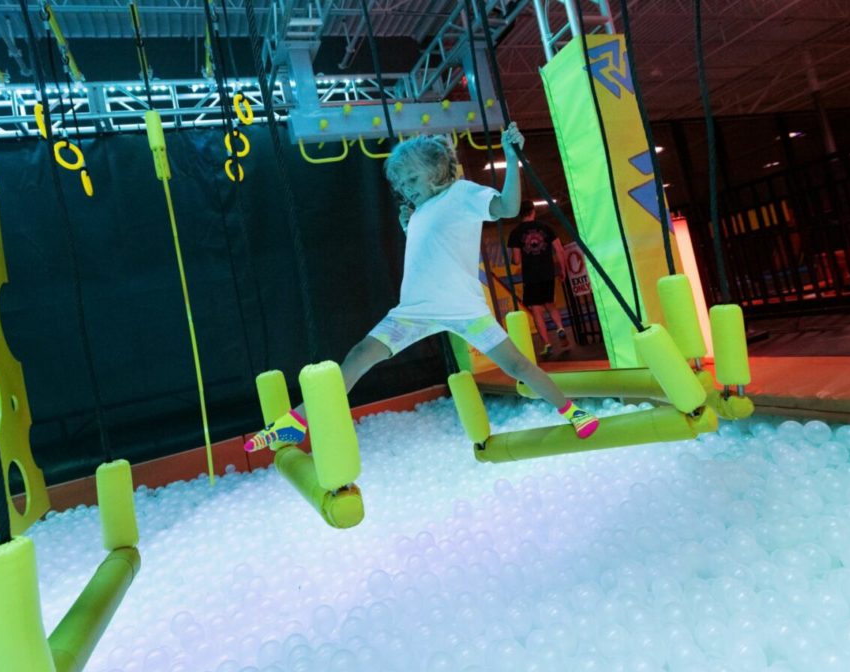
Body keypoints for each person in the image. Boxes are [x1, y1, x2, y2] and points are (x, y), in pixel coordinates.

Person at [245, 123, 599, 453]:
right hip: (416, 312)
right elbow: (431, 251)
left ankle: (573, 411)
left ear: (436, 171)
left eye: (412, 178)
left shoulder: (462, 194)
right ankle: (297, 422)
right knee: (360, 354)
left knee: (517, 365)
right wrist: (407, 227)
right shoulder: (419, 213)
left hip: (463, 310)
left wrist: (510, 155)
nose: (407, 188)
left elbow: (507, 207)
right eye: (401, 184)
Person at [507, 200, 571, 358]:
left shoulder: (515, 233)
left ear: (520, 213)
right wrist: (563, 270)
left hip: (531, 276)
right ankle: (560, 328)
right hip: (547, 273)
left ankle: (547, 345)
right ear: (533, 211)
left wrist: (513, 260)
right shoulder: (546, 227)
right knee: (550, 305)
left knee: (536, 311)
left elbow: (516, 260)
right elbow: (559, 250)